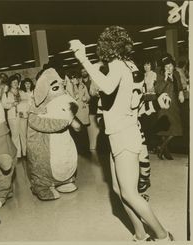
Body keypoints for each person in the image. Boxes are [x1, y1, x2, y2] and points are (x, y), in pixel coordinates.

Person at [70, 26, 173, 241]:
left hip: (123, 135)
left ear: (107, 46)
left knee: (129, 193)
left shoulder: (116, 65)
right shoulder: (130, 64)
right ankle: (140, 234)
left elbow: (107, 87)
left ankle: (163, 237)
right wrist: (154, 99)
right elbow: (134, 95)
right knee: (118, 189)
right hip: (122, 133)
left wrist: (83, 58)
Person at [154, 57, 184, 160]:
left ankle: (161, 147)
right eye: (166, 67)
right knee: (164, 129)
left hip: (174, 104)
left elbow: (179, 86)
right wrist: (165, 79)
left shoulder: (176, 74)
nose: (169, 68)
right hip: (164, 103)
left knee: (176, 128)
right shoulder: (160, 75)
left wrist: (181, 93)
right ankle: (165, 151)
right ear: (164, 68)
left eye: (170, 66)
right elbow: (158, 90)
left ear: (173, 66)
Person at [1, 74, 25, 158]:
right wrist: (12, 104)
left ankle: (24, 152)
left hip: (22, 116)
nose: (15, 83)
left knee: (23, 134)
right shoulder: (6, 94)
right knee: (15, 135)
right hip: (12, 116)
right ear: (10, 83)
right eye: (13, 82)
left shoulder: (21, 92)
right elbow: (3, 105)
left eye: (16, 82)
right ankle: (17, 154)